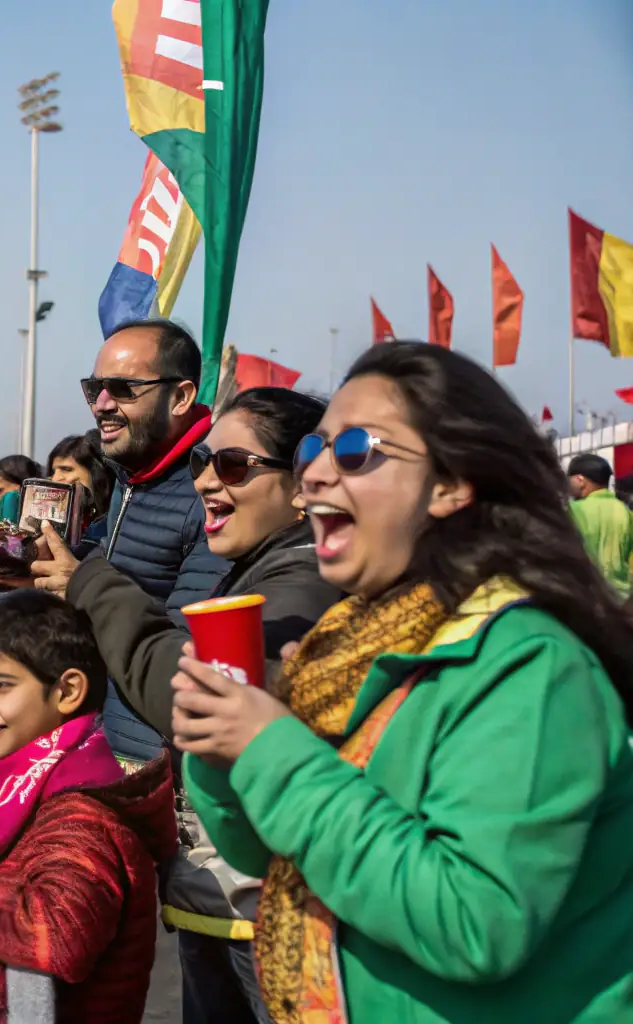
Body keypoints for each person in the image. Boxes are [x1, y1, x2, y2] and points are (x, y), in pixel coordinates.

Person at [173, 343, 633, 1023]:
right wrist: (221, 754)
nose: (317, 476)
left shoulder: (529, 663)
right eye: (313, 452)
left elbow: (475, 925)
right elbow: (264, 853)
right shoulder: (349, 644)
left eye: (356, 449)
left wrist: (271, 748)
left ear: (450, 485)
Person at [46, 386, 341, 1024]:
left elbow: (193, 696)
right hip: (224, 893)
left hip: (267, 910)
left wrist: (88, 583)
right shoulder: (261, 565)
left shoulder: (301, 584)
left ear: (302, 487)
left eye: (234, 466)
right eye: (202, 460)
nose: (208, 479)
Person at [0, 590, 177, 1024]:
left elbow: (57, 934)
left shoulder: (83, 814)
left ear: (68, 690)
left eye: (0, 685)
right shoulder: (51, 776)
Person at [33, 318, 229, 766]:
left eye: (122, 388)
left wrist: (80, 580)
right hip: (109, 742)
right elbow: (118, 579)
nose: (101, 404)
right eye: (95, 388)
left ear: (180, 397)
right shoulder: (133, 475)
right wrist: (30, 578)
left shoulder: (211, 495)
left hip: (159, 770)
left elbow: (185, 661)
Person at [567, 452, 633, 597]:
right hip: (621, 598)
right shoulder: (625, 511)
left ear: (580, 480)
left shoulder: (573, 510)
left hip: (586, 597)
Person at [46, 430, 114, 556]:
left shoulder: (111, 524)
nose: (55, 479)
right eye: (53, 472)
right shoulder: (51, 523)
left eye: (66, 469)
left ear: (95, 473)